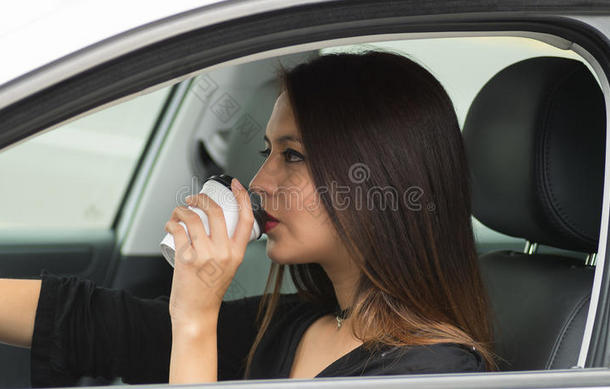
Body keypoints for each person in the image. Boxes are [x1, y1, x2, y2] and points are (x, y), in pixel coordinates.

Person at [0, 50, 499, 387]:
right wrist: (188, 312)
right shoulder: (292, 324)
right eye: (268, 152)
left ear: (376, 177)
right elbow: (110, 326)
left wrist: (196, 320)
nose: (258, 183)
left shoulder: (435, 372)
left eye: (294, 156)